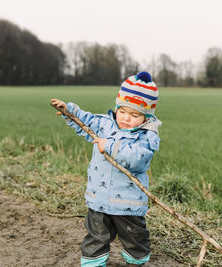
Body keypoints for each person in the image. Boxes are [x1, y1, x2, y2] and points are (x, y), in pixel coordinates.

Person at [51, 71, 161, 267]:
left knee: (135, 239)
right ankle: (93, 263)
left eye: (134, 114)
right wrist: (69, 111)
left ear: (146, 116)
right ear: (117, 107)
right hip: (99, 198)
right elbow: (87, 121)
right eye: (122, 111)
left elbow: (138, 159)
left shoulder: (147, 137)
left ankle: (136, 261)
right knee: (96, 238)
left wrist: (109, 146)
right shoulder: (105, 124)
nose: (126, 118)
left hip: (128, 205)